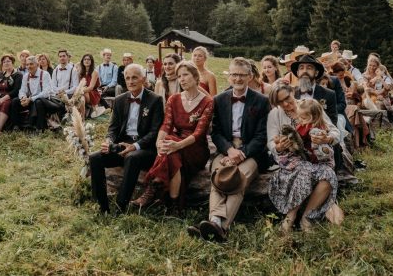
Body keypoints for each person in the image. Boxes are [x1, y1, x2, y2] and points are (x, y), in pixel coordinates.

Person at [187, 57, 270, 242]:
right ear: (229, 77)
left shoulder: (262, 101)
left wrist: (242, 153)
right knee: (218, 175)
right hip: (225, 149)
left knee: (239, 178)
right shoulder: (219, 99)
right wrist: (229, 150)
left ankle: (218, 227)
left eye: (241, 75)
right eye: (234, 75)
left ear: (250, 77)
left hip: (252, 152)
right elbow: (215, 132)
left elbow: (261, 136)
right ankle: (216, 224)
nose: (237, 79)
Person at [131, 61, 213, 212]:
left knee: (171, 146)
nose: (181, 79)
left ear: (196, 77)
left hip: (196, 147)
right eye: (179, 76)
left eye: (185, 75)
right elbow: (166, 125)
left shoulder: (207, 101)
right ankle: (174, 206)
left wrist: (176, 145)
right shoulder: (173, 99)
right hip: (175, 143)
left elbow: (199, 133)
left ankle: (152, 187)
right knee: (169, 149)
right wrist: (158, 144)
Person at [88, 63, 164, 214]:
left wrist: (135, 146)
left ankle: (120, 206)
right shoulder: (120, 99)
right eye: (127, 78)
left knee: (132, 158)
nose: (130, 81)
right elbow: (113, 128)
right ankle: (102, 205)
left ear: (143, 79)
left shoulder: (155, 100)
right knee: (95, 157)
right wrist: (109, 141)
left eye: (134, 77)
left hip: (144, 147)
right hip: (122, 144)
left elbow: (155, 132)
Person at [267, 88, 339, 233]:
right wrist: (279, 146)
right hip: (293, 159)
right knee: (305, 169)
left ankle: (307, 218)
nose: (286, 104)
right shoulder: (275, 114)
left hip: (317, 158)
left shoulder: (310, 105)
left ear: (292, 92)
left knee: (329, 175)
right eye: (280, 102)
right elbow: (271, 142)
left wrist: (327, 138)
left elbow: (334, 131)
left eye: (287, 98)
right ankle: (290, 216)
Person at [13, 55, 60, 132]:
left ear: (37, 65)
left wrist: (31, 99)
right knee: (15, 101)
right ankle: (16, 125)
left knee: (38, 101)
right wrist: (23, 98)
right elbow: (22, 90)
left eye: (31, 64)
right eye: (27, 64)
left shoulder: (45, 74)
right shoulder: (25, 76)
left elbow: (46, 92)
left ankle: (39, 128)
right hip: (31, 100)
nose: (29, 66)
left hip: (46, 102)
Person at [291, 54, 339, 127]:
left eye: (309, 68)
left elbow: (332, 122)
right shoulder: (291, 94)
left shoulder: (329, 94)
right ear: (297, 73)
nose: (305, 71)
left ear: (316, 73)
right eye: (301, 68)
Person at [0, 54, 23, 136]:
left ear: (13, 62)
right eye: (4, 62)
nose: (6, 63)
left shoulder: (18, 75)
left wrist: (2, 99)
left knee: (5, 104)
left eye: (8, 61)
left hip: (9, 98)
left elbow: (16, 91)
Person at [52, 49, 83, 116]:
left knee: (62, 102)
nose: (62, 58)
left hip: (69, 94)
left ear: (67, 57)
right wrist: (58, 91)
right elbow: (53, 85)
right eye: (60, 56)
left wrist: (65, 92)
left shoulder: (73, 70)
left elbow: (75, 86)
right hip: (57, 94)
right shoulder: (55, 70)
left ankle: (64, 116)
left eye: (64, 56)